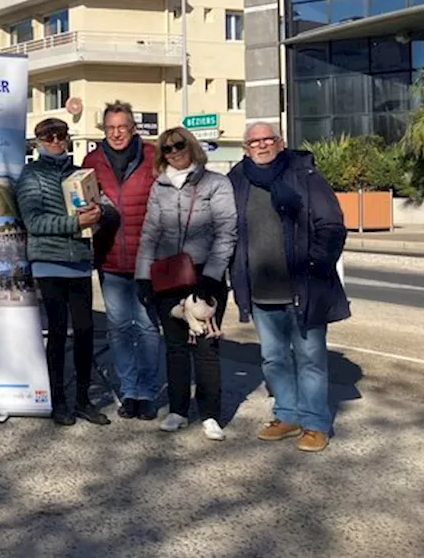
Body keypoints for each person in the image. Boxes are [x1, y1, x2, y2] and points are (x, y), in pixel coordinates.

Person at [229, 122, 349, 452]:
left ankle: (314, 423)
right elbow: (228, 231)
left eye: (269, 139)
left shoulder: (304, 175)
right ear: (246, 148)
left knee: (310, 358)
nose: (262, 145)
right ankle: (287, 414)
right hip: (260, 290)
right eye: (255, 141)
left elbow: (332, 225)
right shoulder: (237, 180)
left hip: (303, 286)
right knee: (273, 358)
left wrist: (314, 265)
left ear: (280, 143)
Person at [136, 127, 237, 440]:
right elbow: (150, 233)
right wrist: (143, 275)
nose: (174, 151)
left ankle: (210, 414)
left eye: (180, 145)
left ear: (191, 146)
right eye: (167, 148)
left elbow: (226, 231)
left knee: (206, 346)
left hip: (204, 275)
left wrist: (213, 274)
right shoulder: (159, 187)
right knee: (175, 346)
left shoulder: (216, 183)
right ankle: (178, 410)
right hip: (169, 275)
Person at [16, 118, 109, 427]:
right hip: (49, 262)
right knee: (57, 333)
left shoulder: (79, 172)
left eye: (60, 135)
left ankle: (83, 399)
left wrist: (100, 212)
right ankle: (58, 401)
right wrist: (74, 224)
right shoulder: (31, 175)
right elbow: (34, 222)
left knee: (85, 333)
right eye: (48, 136)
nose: (55, 140)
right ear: (39, 141)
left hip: (80, 261)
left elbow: (102, 205)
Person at [82, 101, 161, 421]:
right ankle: (129, 391)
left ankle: (148, 392)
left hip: (147, 259)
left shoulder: (154, 156)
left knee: (145, 327)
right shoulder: (91, 161)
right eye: (110, 128)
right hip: (110, 257)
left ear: (133, 129)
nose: (116, 134)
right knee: (118, 328)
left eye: (122, 127)